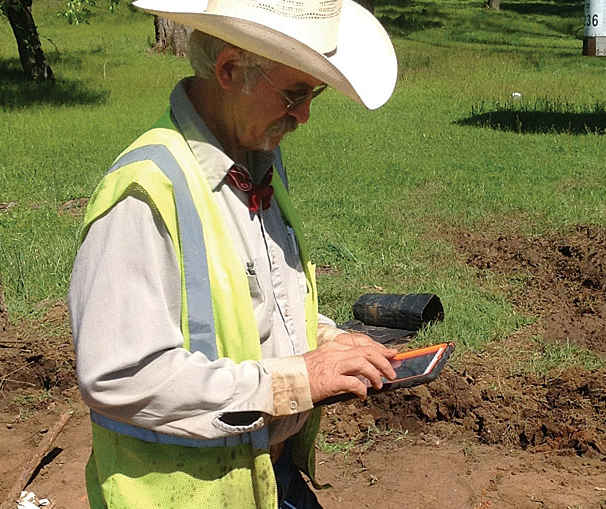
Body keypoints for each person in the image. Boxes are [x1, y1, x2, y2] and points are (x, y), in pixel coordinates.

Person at [67, 0, 399, 507]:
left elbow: (258, 300)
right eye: (294, 94)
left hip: (269, 478)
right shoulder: (145, 193)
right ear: (229, 70)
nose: (305, 116)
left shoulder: (258, 158)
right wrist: (300, 378)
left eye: (316, 94)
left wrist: (329, 340)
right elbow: (120, 375)